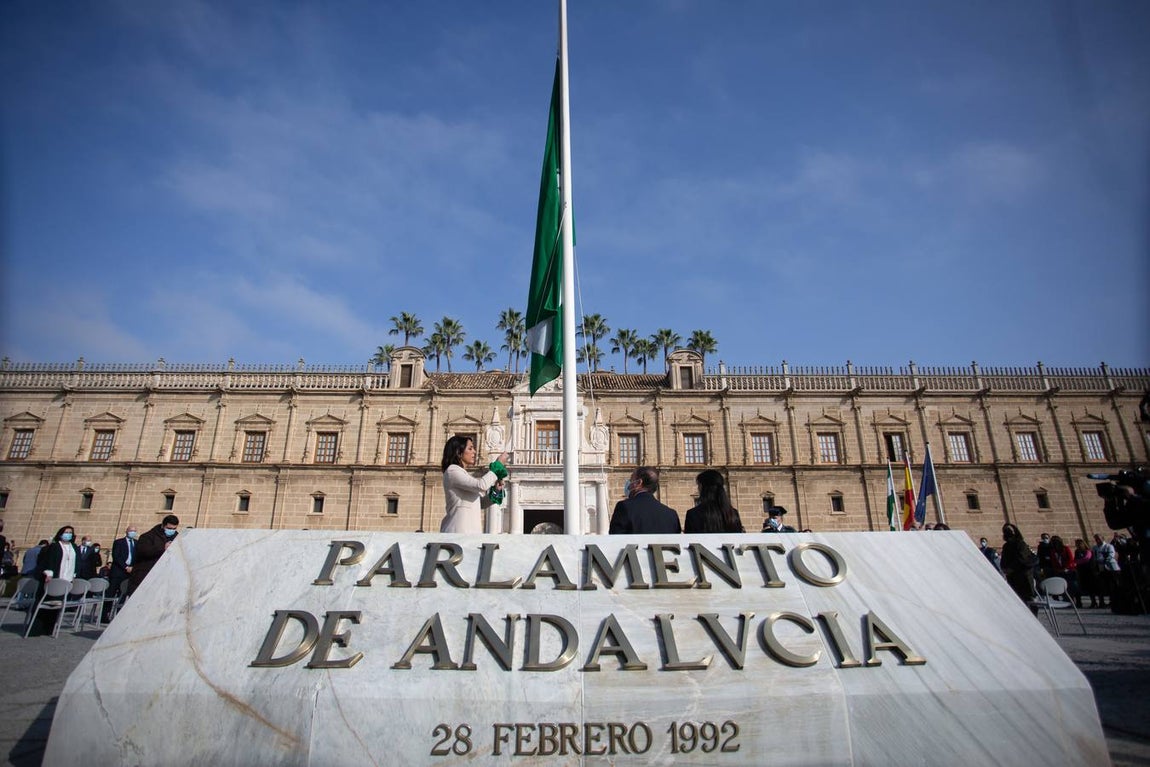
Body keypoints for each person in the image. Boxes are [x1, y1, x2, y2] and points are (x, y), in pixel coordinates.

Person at [439, 436, 509, 534]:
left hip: (470, 533)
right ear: (458, 452)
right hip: (457, 532)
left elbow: (481, 503)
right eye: (470, 448)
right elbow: (481, 485)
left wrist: (496, 491)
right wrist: (498, 464)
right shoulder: (452, 471)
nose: (474, 452)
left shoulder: (463, 473)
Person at [31, 525, 79, 636]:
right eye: (66, 532)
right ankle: (37, 628)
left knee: (57, 605)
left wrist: (74, 574)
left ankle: (49, 628)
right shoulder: (55, 546)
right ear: (61, 534)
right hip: (53, 577)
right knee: (45, 603)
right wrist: (49, 573)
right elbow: (49, 561)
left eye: (70, 532)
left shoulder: (74, 547)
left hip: (66, 579)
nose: (68, 534)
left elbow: (77, 562)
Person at [609, 466, 681, 534]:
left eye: (631, 480)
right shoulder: (671, 514)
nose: (628, 485)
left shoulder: (624, 507)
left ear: (639, 483)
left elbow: (615, 538)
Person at [129, 515, 180, 593]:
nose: (172, 530)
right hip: (146, 574)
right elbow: (143, 551)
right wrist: (163, 548)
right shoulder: (148, 536)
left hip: (164, 576)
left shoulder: (176, 537)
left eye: (174, 529)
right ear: (163, 526)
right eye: (169, 528)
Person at [684, 469, 744, 534]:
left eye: (698, 485)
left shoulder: (693, 514)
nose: (698, 488)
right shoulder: (733, 514)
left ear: (702, 487)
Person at [103, 525, 138, 620]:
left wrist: (132, 567)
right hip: (118, 572)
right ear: (126, 531)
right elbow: (116, 556)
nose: (133, 532)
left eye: (134, 531)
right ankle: (105, 615)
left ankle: (118, 616)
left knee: (123, 595)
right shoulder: (119, 542)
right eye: (131, 530)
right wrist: (126, 567)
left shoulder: (136, 543)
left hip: (129, 573)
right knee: (111, 594)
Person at [1000, 523, 1037, 603]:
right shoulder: (1006, 546)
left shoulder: (1020, 543)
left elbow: (1022, 559)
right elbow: (1004, 559)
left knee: (1028, 599)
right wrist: (1004, 568)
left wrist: (1011, 568)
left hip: (1023, 576)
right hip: (1012, 577)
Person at [1093, 533, 1119, 608]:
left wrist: (1102, 560)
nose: (1097, 540)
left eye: (1098, 538)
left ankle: (1113, 601)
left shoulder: (1109, 546)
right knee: (1102, 585)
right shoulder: (1095, 548)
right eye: (1096, 539)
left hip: (1111, 568)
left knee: (1112, 585)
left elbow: (1111, 555)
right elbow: (1094, 557)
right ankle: (1102, 602)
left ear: (1103, 538)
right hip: (1101, 568)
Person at [1073, 539, 1096, 608]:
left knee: (1090, 587)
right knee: (1080, 587)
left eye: (1079, 544)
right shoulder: (1077, 551)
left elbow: (1086, 558)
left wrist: (1078, 561)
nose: (1078, 545)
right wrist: (1078, 561)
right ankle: (1079, 603)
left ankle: (1094, 601)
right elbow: (1075, 560)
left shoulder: (1088, 551)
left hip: (1089, 571)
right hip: (1081, 571)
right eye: (1076, 544)